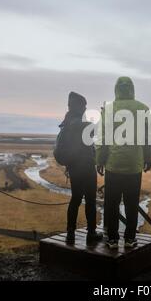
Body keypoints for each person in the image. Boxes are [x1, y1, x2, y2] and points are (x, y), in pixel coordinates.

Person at [96, 77, 151, 249]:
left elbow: (103, 138)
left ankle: (112, 239)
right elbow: (147, 138)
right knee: (132, 204)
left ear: (116, 90)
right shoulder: (143, 108)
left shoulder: (109, 109)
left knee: (112, 203)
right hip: (134, 166)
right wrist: (147, 158)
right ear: (132, 89)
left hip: (113, 165)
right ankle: (129, 239)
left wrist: (99, 160)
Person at [54, 92, 102, 245]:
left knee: (75, 199)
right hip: (86, 167)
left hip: (74, 168)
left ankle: (70, 233)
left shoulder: (67, 123)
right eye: (84, 105)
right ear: (78, 106)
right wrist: (104, 116)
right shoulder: (80, 124)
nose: (86, 108)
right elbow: (97, 130)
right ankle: (92, 233)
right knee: (90, 201)